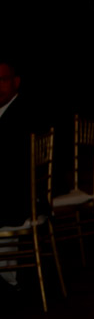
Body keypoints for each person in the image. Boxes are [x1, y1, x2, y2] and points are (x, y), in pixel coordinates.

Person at [0, 57, 33, 231]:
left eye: (2, 80)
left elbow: (12, 166)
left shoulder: (22, 115)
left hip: (18, 200)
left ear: (16, 81)